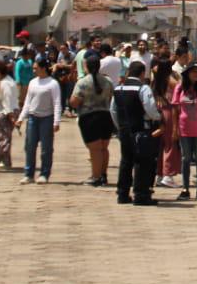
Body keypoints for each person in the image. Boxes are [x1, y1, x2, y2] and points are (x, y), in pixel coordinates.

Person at [112, 61, 161, 206]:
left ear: (128, 72)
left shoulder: (118, 88)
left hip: (124, 131)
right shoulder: (143, 88)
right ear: (142, 73)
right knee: (142, 162)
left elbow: (113, 110)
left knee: (126, 161)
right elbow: (150, 108)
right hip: (141, 129)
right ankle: (141, 194)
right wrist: (158, 118)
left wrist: (120, 126)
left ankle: (122, 194)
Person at [15, 57, 63, 185]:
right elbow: (27, 102)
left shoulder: (53, 84)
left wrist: (56, 121)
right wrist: (20, 118)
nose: (34, 70)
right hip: (32, 117)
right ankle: (28, 174)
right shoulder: (32, 83)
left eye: (35, 68)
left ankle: (44, 174)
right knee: (29, 147)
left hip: (47, 118)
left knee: (46, 148)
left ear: (43, 68)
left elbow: (57, 103)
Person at [70, 54, 115, 187]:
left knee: (95, 150)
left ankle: (96, 177)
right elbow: (111, 97)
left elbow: (74, 102)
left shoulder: (83, 82)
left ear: (86, 66)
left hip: (89, 118)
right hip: (106, 116)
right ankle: (103, 175)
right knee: (104, 148)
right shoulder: (108, 81)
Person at [171, 62, 197, 200]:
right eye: (192, 71)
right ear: (187, 73)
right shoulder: (179, 88)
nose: (195, 74)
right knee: (186, 159)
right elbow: (175, 109)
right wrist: (175, 128)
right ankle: (185, 188)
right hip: (184, 129)